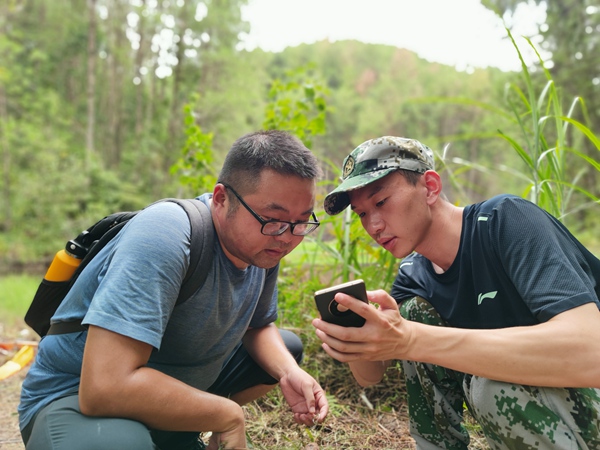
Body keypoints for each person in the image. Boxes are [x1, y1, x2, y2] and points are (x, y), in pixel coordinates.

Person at [19, 130, 329, 450]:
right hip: (74, 398)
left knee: (286, 349)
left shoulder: (264, 245)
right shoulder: (166, 235)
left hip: (158, 387)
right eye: (274, 219)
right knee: (120, 444)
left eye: (301, 222)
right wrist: (225, 414)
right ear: (222, 199)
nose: (288, 237)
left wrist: (290, 373)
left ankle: (173, 432)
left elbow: (257, 324)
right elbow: (103, 388)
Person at [312, 135, 600, 449]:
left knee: (490, 386)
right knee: (413, 314)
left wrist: (411, 339)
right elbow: (372, 376)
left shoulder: (506, 221)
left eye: (381, 202)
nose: (374, 225)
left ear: (430, 187)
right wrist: (354, 338)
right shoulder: (415, 275)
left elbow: (591, 352)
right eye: (362, 214)